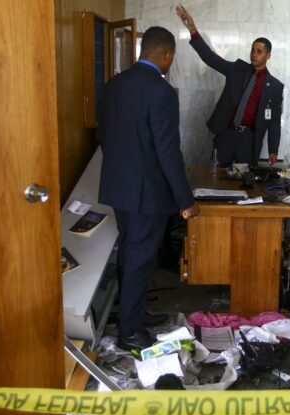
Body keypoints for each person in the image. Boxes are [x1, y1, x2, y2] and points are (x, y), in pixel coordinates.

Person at [98, 26, 200, 352]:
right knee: (140, 258)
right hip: (146, 195)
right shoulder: (161, 92)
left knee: (131, 254)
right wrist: (185, 200)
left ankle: (134, 315)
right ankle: (129, 331)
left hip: (118, 188)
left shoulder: (114, 85)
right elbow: (168, 152)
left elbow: (106, 135)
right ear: (167, 54)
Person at [176, 5, 284, 167]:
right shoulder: (237, 69)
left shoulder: (275, 86)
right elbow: (211, 58)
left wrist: (273, 150)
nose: (254, 54)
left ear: (268, 55)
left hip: (249, 140)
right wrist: (192, 29)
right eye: (253, 50)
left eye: (259, 51)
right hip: (226, 134)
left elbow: (274, 122)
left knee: (245, 185)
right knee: (216, 179)